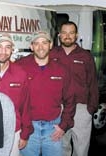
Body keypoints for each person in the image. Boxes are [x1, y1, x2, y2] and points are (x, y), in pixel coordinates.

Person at [16, 30, 76, 156]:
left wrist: (63, 125)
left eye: (44, 42)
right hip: (29, 128)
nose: (40, 47)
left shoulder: (61, 69)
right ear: (31, 46)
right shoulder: (20, 66)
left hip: (53, 128)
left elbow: (70, 99)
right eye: (36, 43)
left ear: (50, 45)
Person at [50, 21, 99, 156]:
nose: (67, 36)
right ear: (59, 35)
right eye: (64, 33)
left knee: (81, 148)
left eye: (71, 33)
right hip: (59, 108)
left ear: (76, 35)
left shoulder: (85, 56)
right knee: (61, 146)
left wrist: (91, 108)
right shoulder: (52, 54)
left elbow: (93, 83)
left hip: (81, 109)